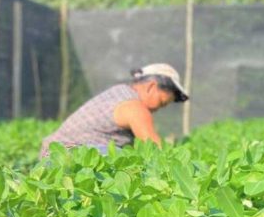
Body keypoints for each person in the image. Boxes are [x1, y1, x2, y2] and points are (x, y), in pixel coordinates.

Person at [40, 63, 189, 157]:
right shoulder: (135, 107)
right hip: (67, 155)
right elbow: (156, 150)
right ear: (151, 86)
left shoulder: (119, 92)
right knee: (127, 161)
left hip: (52, 155)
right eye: (162, 102)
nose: (158, 109)